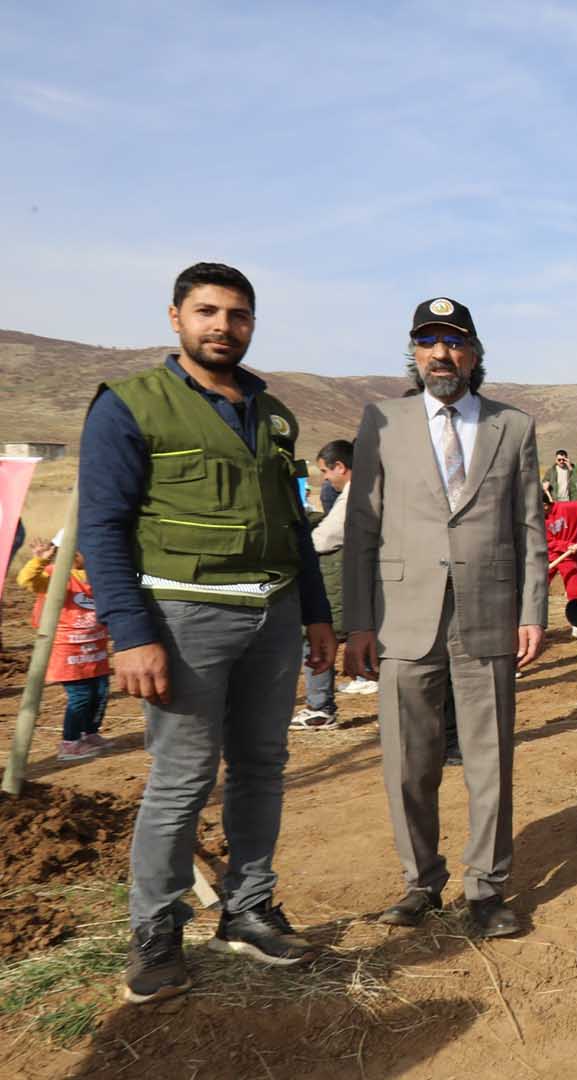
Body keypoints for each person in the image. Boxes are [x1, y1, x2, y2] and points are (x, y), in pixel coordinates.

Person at [78, 262, 334, 1004]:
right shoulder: (131, 406)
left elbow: (294, 527)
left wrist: (317, 614)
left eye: (238, 315)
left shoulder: (272, 413)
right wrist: (129, 633)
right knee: (183, 777)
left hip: (275, 613)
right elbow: (102, 526)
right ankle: (155, 933)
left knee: (262, 766)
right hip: (184, 618)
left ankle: (248, 909)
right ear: (176, 318)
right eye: (207, 311)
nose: (223, 325)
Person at [341, 297, 547, 939]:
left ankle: (486, 888)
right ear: (414, 353)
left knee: (490, 759)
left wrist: (533, 609)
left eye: (454, 343)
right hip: (403, 614)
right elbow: (362, 525)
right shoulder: (383, 421)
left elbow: (529, 526)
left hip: (488, 612)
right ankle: (419, 882)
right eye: (428, 342)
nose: (441, 354)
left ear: (474, 354)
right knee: (410, 758)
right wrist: (357, 622)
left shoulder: (513, 426)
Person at [17, 531, 112, 760]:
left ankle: (90, 734)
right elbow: (26, 581)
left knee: (100, 693)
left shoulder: (102, 575)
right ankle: (70, 742)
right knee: (80, 696)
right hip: (67, 649)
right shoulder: (56, 575)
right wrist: (40, 560)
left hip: (95, 648)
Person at [293, 440, 355, 731]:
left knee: (316, 640)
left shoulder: (354, 494)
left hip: (337, 583)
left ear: (340, 467)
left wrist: (300, 547)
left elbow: (325, 538)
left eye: (325, 471)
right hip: (344, 582)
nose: (326, 479)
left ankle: (319, 708)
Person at [545, 494, 577, 642]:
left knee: (574, 588)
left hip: (569, 556)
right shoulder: (537, 519)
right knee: (537, 586)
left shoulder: (568, 507)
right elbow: (549, 542)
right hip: (550, 554)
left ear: (545, 505)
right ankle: (535, 623)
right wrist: (565, 545)